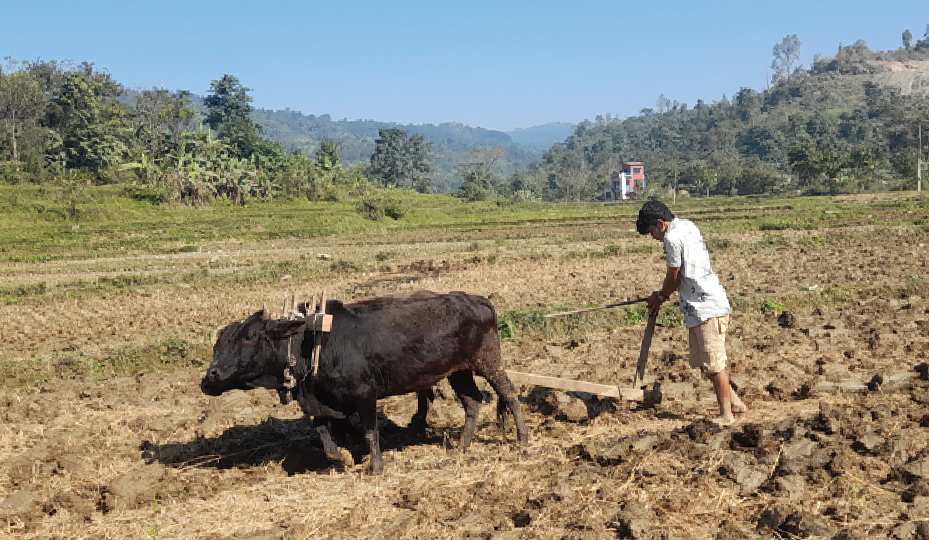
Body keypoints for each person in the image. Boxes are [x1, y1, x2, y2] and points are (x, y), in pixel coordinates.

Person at [636, 200, 747, 426]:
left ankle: (727, 415)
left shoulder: (671, 238)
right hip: (699, 305)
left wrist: (660, 296)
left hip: (706, 306)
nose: (652, 237)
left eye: (651, 231)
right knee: (706, 363)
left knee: (714, 364)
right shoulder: (687, 225)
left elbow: (674, 277)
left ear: (660, 224)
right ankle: (736, 403)